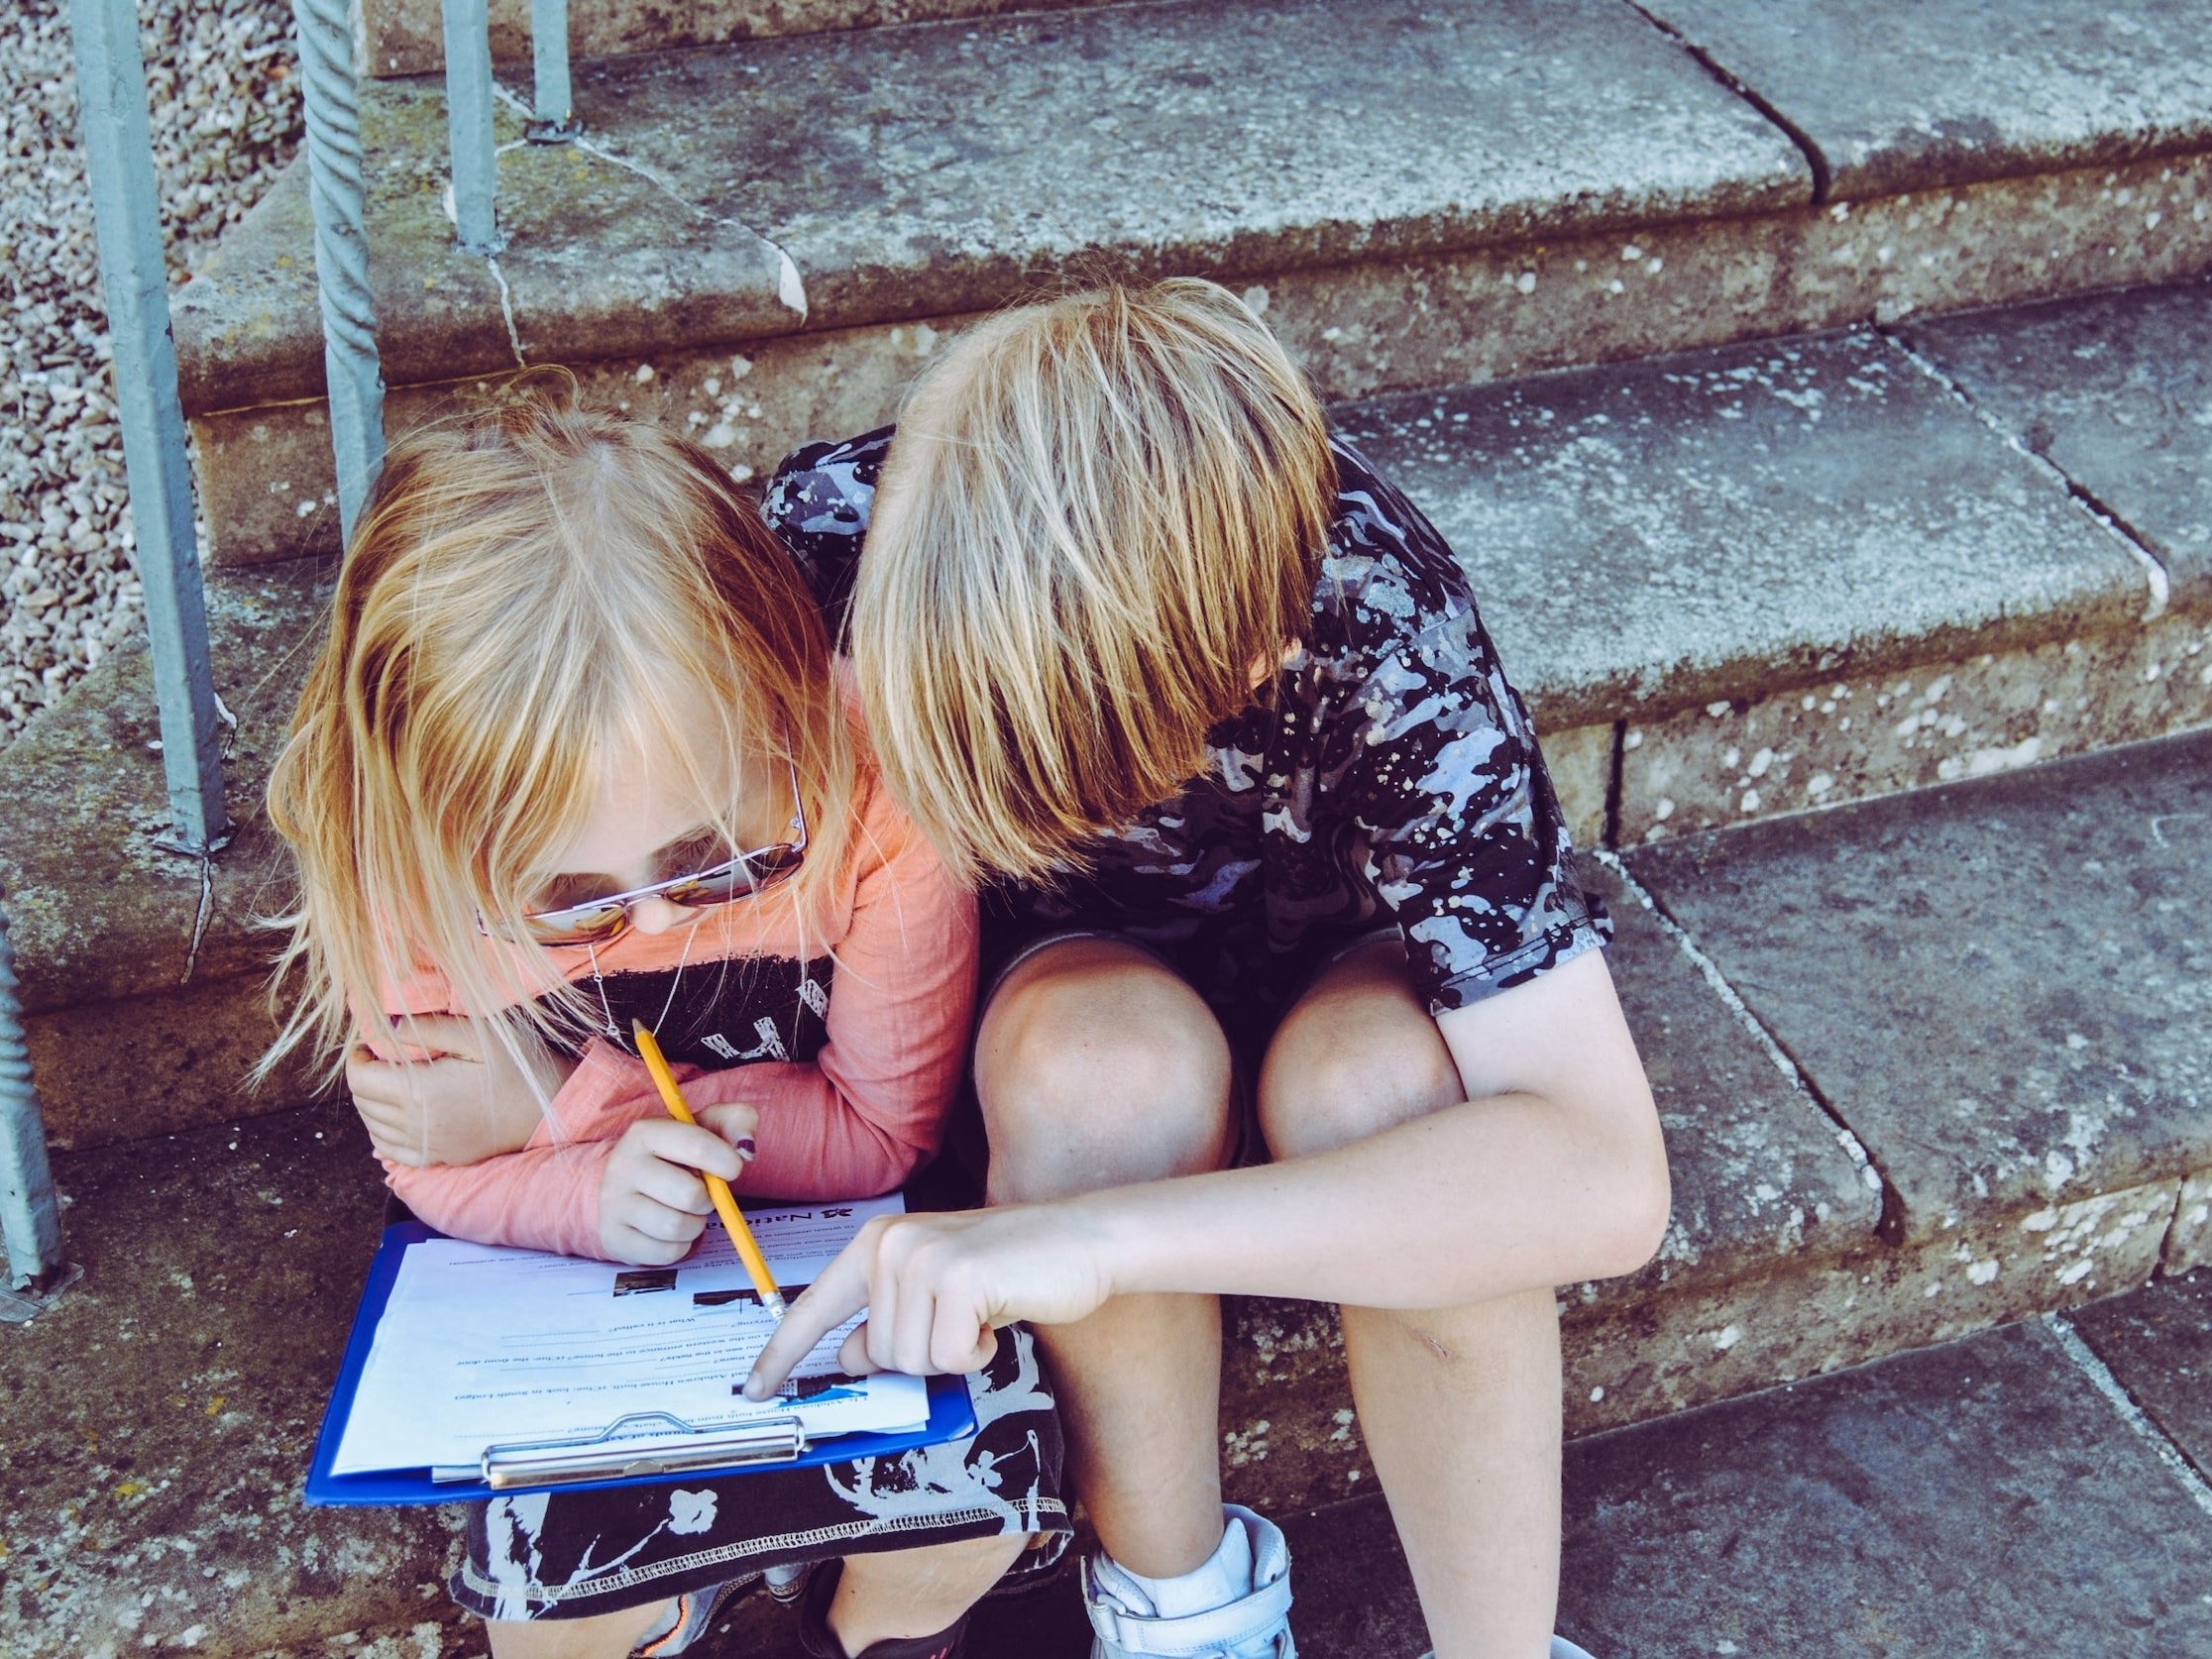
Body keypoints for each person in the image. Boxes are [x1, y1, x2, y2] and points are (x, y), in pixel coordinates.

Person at [745, 280, 1671, 1659]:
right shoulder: (833, 537)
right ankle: (1184, 1611)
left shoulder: (1367, 612)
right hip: (1061, 1003)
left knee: (1386, 1091)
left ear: (1244, 656)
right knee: (1100, 1073)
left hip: (1340, 974)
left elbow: (1604, 1177)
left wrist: (1093, 1238)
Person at [260, 388, 1069, 1659]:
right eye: (568, 908)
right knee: (555, 1620)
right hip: (579, 1313)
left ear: (796, 703)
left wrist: (566, 1102)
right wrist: (583, 1192)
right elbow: (432, 1166)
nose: (658, 922)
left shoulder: (877, 793)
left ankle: (857, 1638)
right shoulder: (398, 866)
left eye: (719, 862)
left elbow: (878, 1138)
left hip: (849, 1262)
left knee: (967, 1513)